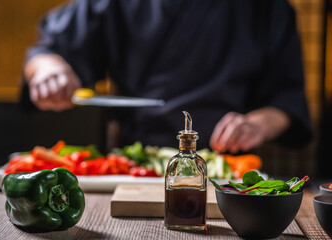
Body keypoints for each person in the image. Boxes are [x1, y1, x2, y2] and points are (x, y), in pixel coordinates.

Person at [23, 0, 312, 153]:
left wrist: (256, 125)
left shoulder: (267, 6)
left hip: (224, 170)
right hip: (133, 163)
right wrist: (48, 68)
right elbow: (48, 50)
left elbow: (288, 100)